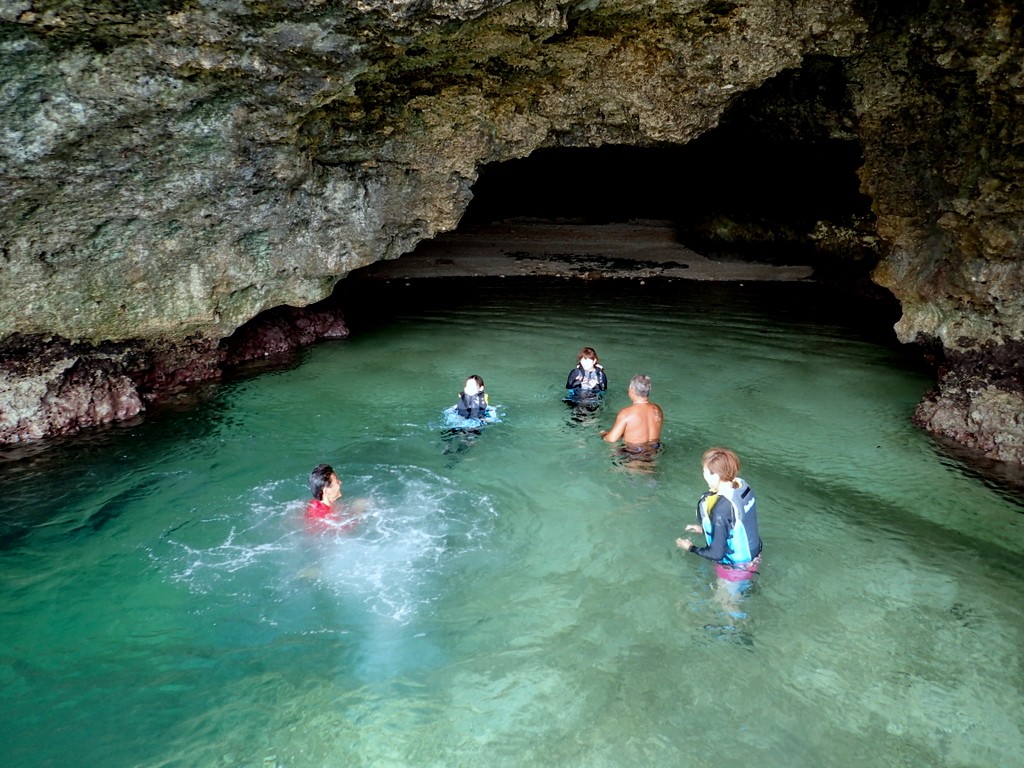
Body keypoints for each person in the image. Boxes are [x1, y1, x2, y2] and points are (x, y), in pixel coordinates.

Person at [676, 447, 763, 584]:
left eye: (704, 472)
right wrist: (704, 529)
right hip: (754, 558)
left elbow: (716, 554)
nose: (703, 475)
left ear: (715, 475)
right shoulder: (741, 487)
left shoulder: (721, 509)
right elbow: (734, 523)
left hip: (735, 569)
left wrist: (690, 547)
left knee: (724, 604)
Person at [600, 373, 663, 455]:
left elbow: (611, 439)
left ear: (631, 390)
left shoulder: (626, 413)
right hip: (655, 450)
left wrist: (603, 434)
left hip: (634, 453)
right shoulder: (657, 410)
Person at [304, 463, 363, 529]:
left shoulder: (314, 503)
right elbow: (345, 530)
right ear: (326, 491)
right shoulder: (327, 517)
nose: (340, 482)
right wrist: (358, 511)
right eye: (337, 482)